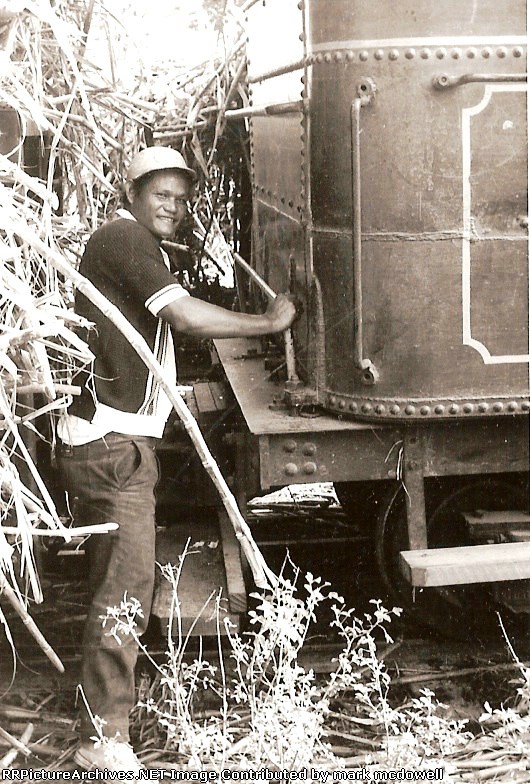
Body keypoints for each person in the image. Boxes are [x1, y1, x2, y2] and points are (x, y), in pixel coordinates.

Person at [56, 146, 296, 772]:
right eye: (160, 194)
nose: (173, 206)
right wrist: (268, 324)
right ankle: (100, 739)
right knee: (125, 588)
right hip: (111, 445)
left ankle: (101, 712)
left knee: (121, 579)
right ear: (131, 194)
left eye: (181, 197)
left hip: (115, 442)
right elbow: (185, 318)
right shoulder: (122, 235)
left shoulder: (137, 248)